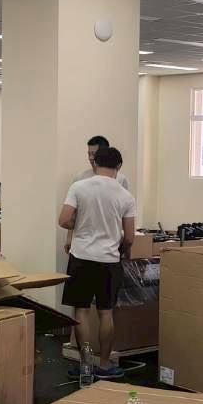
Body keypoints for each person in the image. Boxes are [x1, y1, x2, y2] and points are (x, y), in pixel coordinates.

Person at [59, 144, 136, 380]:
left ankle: (84, 365)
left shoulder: (79, 187)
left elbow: (63, 220)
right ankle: (104, 364)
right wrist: (123, 250)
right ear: (119, 166)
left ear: (96, 163)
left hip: (81, 257)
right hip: (109, 260)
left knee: (81, 310)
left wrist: (80, 225)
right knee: (105, 312)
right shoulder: (125, 196)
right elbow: (129, 237)